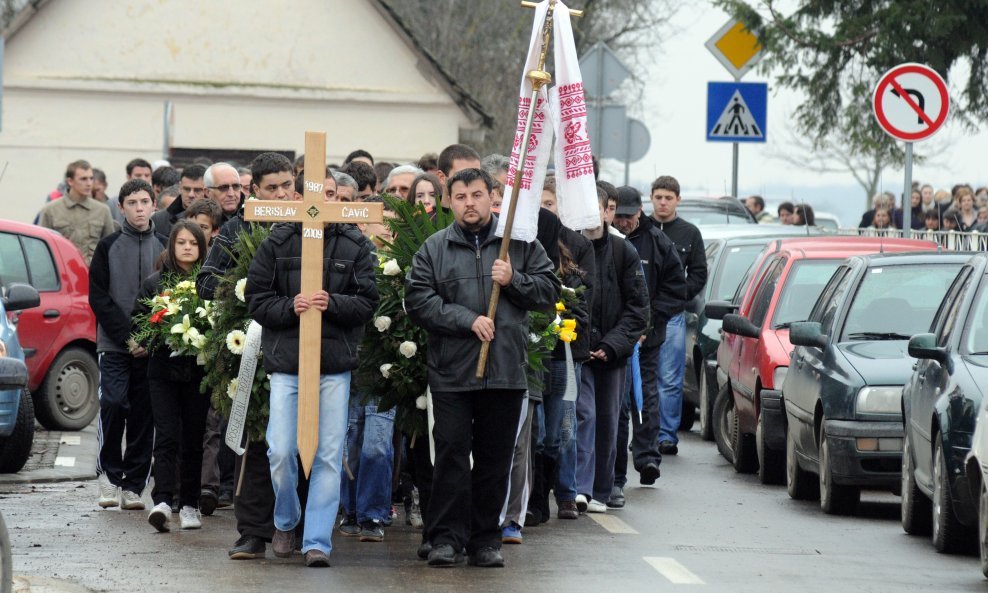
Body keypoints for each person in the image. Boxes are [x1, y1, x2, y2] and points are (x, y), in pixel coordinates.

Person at [405, 168, 559, 568]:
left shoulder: (520, 244)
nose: (469, 203)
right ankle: (445, 538)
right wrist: (466, 320)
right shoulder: (435, 248)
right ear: (449, 201)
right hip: (452, 373)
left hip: (505, 370)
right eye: (460, 196)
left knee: (494, 459)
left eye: (476, 194)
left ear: (492, 197)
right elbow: (418, 299)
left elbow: (548, 292)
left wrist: (513, 279)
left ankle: (484, 540)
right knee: (452, 456)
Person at [245, 181, 379, 568]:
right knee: (282, 450)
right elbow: (256, 297)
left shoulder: (355, 244)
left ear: (338, 199)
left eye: (331, 193)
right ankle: (286, 520)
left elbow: (368, 301)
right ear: (299, 199)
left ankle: (317, 540)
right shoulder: (279, 240)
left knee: (328, 455)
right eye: (314, 193)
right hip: (287, 363)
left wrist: (332, 302)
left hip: (334, 364)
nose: (322, 200)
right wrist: (291, 305)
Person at [196, 152, 297, 560]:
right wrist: (242, 286)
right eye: (271, 187)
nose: (281, 193)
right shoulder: (238, 229)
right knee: (256, 442)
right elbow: (205, 281)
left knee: (298, 444)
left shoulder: (312, 225)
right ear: (254, 191)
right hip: (253, 347)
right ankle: (253, 531)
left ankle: (293, 526)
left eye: (287, 185)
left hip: (306, 348)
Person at [89, 179, 165, 511]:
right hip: (114, 345)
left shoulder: (163, 247)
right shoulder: (107, 247)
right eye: (131, 202)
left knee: (143, 415)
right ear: (121, 207)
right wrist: (128, 337)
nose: (138, 208)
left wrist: (149, 338)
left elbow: (168, 298)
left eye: (144, 201)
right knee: (115, 403)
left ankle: (134, 484)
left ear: (154, 205)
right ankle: (109, 475)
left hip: (151, 347)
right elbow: (99, 298)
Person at [576, 187, 648, 513]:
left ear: (608, 211)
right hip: (576, 351)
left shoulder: (623, 252)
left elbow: (637, 310)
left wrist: (611, 345)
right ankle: (578, 485)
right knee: (582, 415)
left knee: (607, 420)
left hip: (612, 354)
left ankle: (601, 490)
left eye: (598, 208)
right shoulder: (568, 248)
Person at [611, 185, 686, 498]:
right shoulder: (605, 240)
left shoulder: (658, 242)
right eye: (619, 216)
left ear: (639, 212)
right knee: (620, 403)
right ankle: (615, 469)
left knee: (647, 397)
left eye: (629, 216)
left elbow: (675, 289)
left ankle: (647, 458)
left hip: (647, 338)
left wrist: (650, 323)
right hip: (614, 338)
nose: (624, 222)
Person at [136, 221, 210, 532]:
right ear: (171, 246)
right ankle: (163, 500)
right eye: (181, 242)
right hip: (163, 371)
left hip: (198, 371)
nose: (187, 247)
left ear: (201, 247)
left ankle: (190, 504)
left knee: (193, 438)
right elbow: (137, 322)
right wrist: (156, 333)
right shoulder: (155, 284)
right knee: (165, 436)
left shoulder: (209, 282)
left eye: (193, 242)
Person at [338, 215, 398, 544]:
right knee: (349, 439)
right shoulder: (351, 259)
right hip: (349, 364)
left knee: (377, 443)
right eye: (379, 225)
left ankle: (374, 511)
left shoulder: (399, 268)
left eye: (390, 227)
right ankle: (350, 508)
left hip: (383, 371)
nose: (384, 232)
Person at [649, 175, 706, 455]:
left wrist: (679, 295)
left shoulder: (689, 233)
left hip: (672, 315)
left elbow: (698, 273)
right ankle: (642, 431)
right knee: (636, 377)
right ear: (651, 198)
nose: (663, 202)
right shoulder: (642, 228)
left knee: (669, 377)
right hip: (640, 314)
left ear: (677, 200)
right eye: (658, 197)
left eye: (668, 198)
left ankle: (666, 435)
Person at [37, 160, 116, 265]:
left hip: (92, 274)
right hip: (63, 272)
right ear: (70, 181)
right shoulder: (51, 210)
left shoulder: (102, 210)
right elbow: (41, 248)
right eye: (83, 179)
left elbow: (110, 248)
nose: (89, 183)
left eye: (91, 178)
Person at [151, 164, 207, 244]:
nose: (191, 195)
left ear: (206, 190)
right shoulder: (159, 219)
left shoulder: (216, 218)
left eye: (197, 190)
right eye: (187, 189)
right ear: (180, 187)